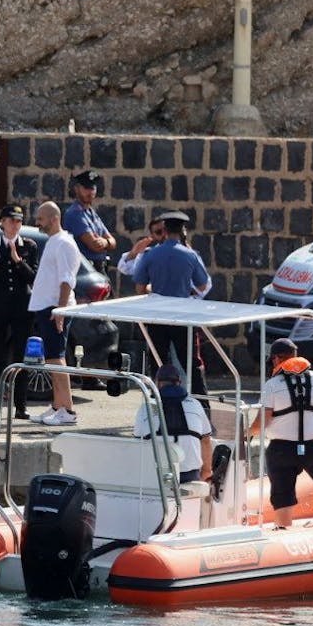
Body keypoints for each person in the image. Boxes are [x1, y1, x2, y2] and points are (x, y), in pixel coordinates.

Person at [254, 338, 313, 528]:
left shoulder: (271, 385)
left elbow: (263, 421)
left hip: (281, 450)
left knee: (282, 497)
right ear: (296, 356)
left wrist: (246, 431)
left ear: (276, 359)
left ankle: (285, 533)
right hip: (312, 447)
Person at [133, 210, 211, 395]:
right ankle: (202, 404)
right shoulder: (190, 255)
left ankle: (158, 402)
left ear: (165, 229)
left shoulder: (151, 255)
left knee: (158, 361)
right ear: (183, 230)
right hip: (183, 315)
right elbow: (202, 285)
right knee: (191, 364)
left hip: (157, 315)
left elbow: (140, 288)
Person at [0, 204, 40, 420]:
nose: (16, 225)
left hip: (22, 308)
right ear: (3, 222)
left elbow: (32, 277)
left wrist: (17, 260)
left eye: (19, 221)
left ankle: (21, 406)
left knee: (21, 356)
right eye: (12, 220)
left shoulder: (29, 246)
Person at [28, 201, 82, 426]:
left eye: (41, 218)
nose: (37, 222)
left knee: (57, 357)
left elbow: (67, 279)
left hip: (54, 307)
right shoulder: (53, 242)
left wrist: (60, 310)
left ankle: (67, 410)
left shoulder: (64, 244)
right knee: (51, 356)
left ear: (54, 218)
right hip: (46, 306)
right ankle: (57, 405)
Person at [133, 363, 214, 484]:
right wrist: (207, 471)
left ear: (157, 383)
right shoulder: (195, 404)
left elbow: (137, 442)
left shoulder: (146, 408)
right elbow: (206, 441)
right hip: (189, 476)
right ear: (179, 383)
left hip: (156, 476)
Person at [66, 170, 118, 272]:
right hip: (85, 269)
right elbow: (94, 246)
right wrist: (106, 243)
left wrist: (105, 242)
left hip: (98, 267)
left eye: (92, 188)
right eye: (86, 188)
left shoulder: (91, 213)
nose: (90, 192)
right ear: (77, 189)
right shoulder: (74, 213)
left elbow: (113, 242)